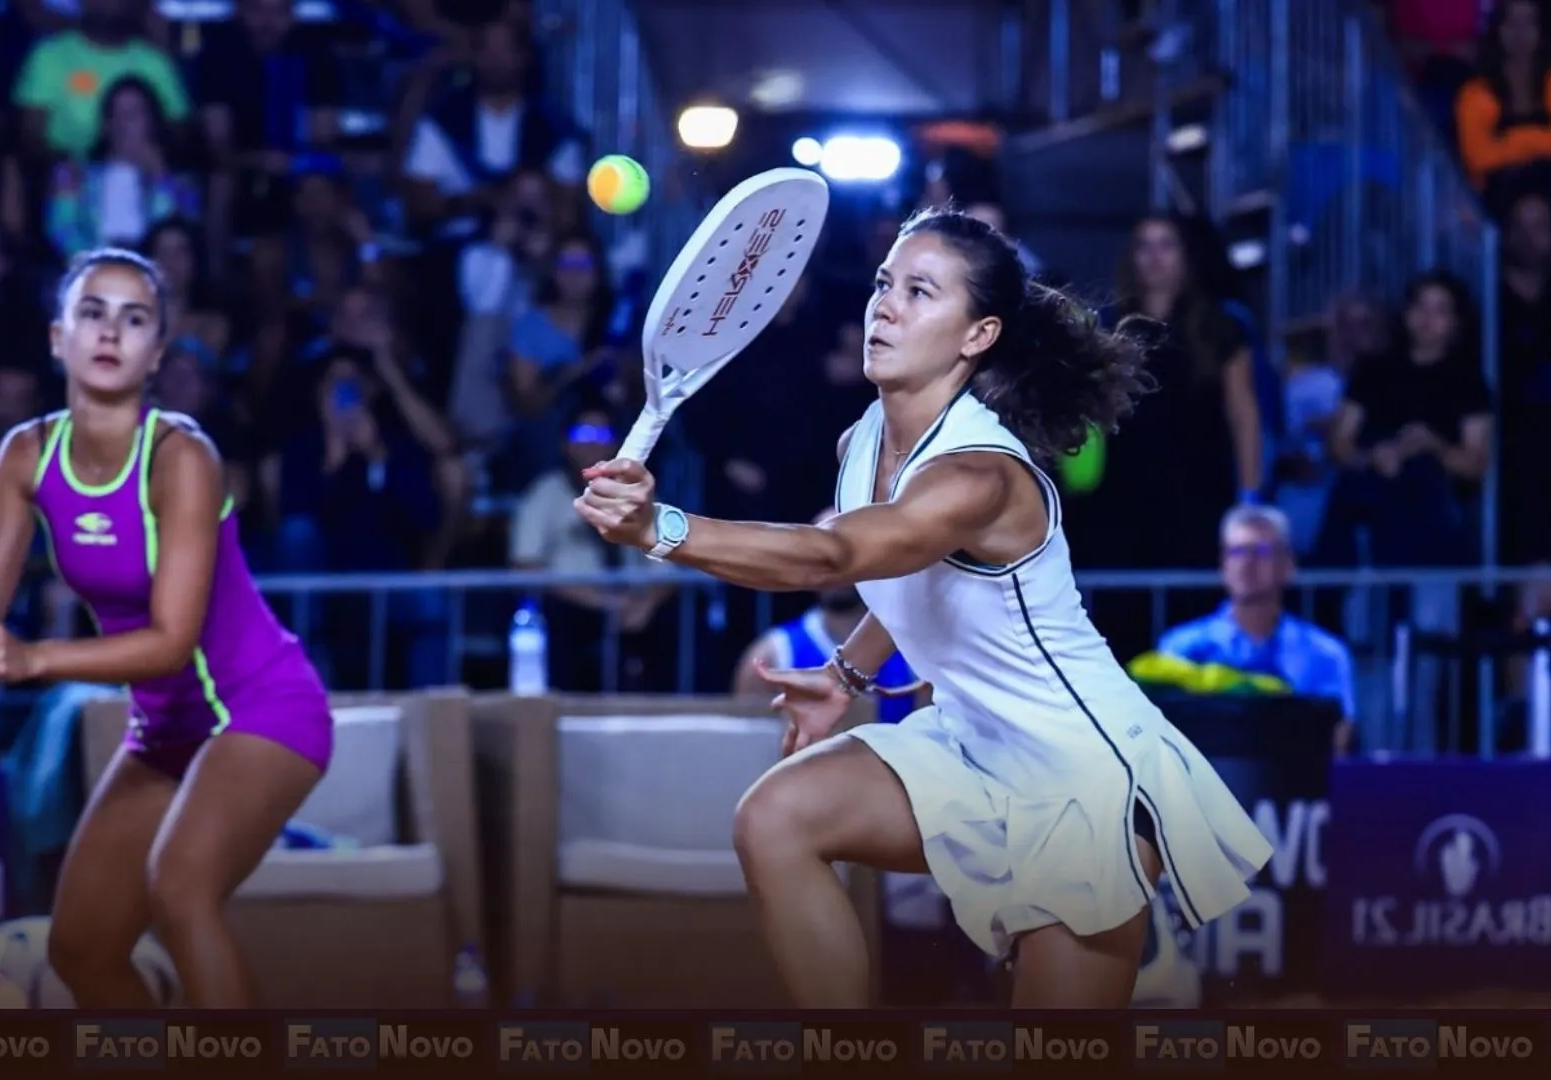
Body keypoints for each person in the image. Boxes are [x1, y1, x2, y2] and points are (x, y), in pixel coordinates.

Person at [575, 207, 1272, 1009]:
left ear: (977, 336)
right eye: (882, 283)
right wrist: (844, 672)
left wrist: (660, 528)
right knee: (776, 818)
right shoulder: (862, 441)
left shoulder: (979, 476)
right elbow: (918, 582)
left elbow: (830, 557)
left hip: (1084, 777)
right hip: (971, 746)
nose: (885, 305)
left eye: (919, 291)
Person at [0, 248, 333, 1009]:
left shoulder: (182, 456)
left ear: (156, 355)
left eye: (134, 318)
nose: (111, 331)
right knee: (82, 950)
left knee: (179, 894)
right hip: (167, 729)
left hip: (264, 710)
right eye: (92, 312)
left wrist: (32, 659)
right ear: (58, 338)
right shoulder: (24, 454)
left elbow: (171, 640)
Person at [1157, 504, 1357, 756]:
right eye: (1237, 551)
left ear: (1288, 565)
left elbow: (1340, 737)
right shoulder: (1180, 648)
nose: (1246, 563)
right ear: (1223, 565)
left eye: (1261, 551)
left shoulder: (1326, 654)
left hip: (1296, 788)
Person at [732, 508, 920, 724]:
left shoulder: (916, 646)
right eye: (820, 556)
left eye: (843, 553)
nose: (832, 566)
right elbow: (748, 744)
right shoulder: (772, 654)